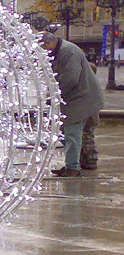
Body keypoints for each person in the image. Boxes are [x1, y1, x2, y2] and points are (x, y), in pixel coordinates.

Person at [41, 32, 103, 177]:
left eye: (44, 47)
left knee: (72, 133)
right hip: (76, 98)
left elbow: (70, 78)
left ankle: (73, 168)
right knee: (68, 132)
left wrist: (55, 94)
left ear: (48, 43)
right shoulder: (60, 51)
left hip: (81, 99)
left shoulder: (69, 51)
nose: (44, 51)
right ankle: (77, 163)